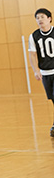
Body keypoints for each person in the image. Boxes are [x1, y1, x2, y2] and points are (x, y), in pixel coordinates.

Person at [27, 8, 54, 137]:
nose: (40, 20)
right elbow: (32, 55)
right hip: (45, 73)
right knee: (53, 98)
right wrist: (35, 71)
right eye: (37, 18)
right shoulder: (34, 36)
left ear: (49, 18)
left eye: (42, 17)